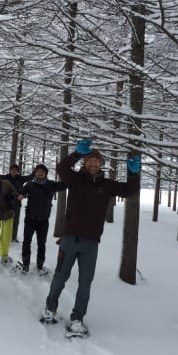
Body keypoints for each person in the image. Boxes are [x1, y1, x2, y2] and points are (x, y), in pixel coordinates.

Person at [40, 139, 141, 337]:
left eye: (97, 160)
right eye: (90, 160)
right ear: (85, 163)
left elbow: (130, 190)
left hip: (90, 244)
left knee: (85, 283)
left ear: (102, 164)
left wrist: (133, 173)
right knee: (60, 277)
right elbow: (62, 167)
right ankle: (50, 309)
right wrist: (76, 154)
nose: (93, 163)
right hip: (69, 240)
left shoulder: (107, 185)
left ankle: (77, 319)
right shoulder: (75, 179)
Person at [12, 164, 67, 276]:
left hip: (43, 220)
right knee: (26, 242)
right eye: (37, 171)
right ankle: (25, 264)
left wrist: (69, 175)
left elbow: (64, 185)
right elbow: (21, 191)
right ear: (35, 173)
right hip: (30, 219)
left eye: (42, 171)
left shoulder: (51, 184)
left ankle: (40, 266)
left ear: (46, 173)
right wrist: (20, 195)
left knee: (41, 243)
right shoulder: (30, 184)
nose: (39, 173)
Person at [1, 164, 34, 243]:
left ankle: (13, 237)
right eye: (12, 169)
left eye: (15, 170)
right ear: (10, 170)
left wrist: (35, 171)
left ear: (18, 171)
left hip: (17, 203)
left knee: (16, 221)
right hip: (7, 202)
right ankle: (5, 236)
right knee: (6, 220)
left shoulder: (20, 178)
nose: (14, 171)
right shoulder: (6, 177)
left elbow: (29, 177)